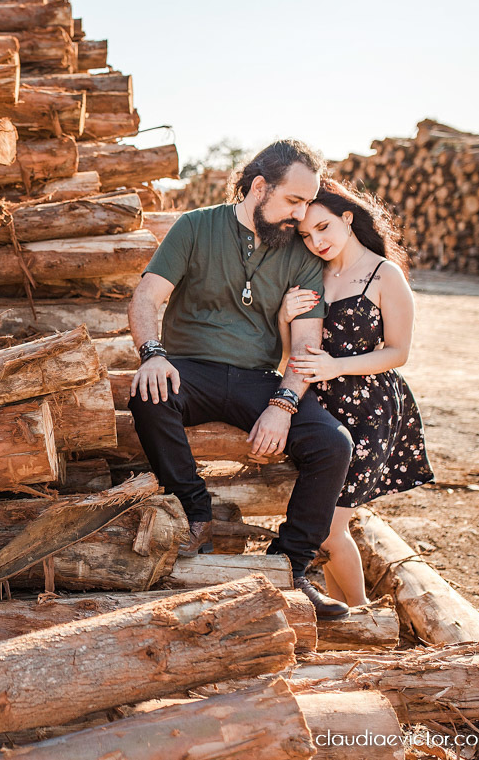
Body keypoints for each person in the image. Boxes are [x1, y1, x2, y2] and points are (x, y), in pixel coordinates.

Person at [128, 139, 354, 619]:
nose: (300, 216)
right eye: (293, 201)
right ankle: (196, 516)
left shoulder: (301, 254)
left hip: (257, 380)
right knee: (149, 395)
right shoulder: (195, 226)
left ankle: (291, 570)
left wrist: (283, 404)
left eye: (306, 204)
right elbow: (146, 297)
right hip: (189, 369)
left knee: (333, 443)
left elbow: (308, 345)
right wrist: (151, 355)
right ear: (258, 187)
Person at [277, 179, 434, 606]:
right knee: (324, 519)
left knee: (329, 526)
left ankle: (365, 616)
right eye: (307, 235)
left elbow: (399, 352)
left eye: (324, 228)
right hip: (322, 409)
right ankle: (342, 615)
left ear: (348, 218)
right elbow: (293, 355)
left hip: (370, 409)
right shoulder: (312, 273)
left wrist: (336, 367)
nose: (316, 241)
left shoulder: (385, 274)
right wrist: (283, 317)